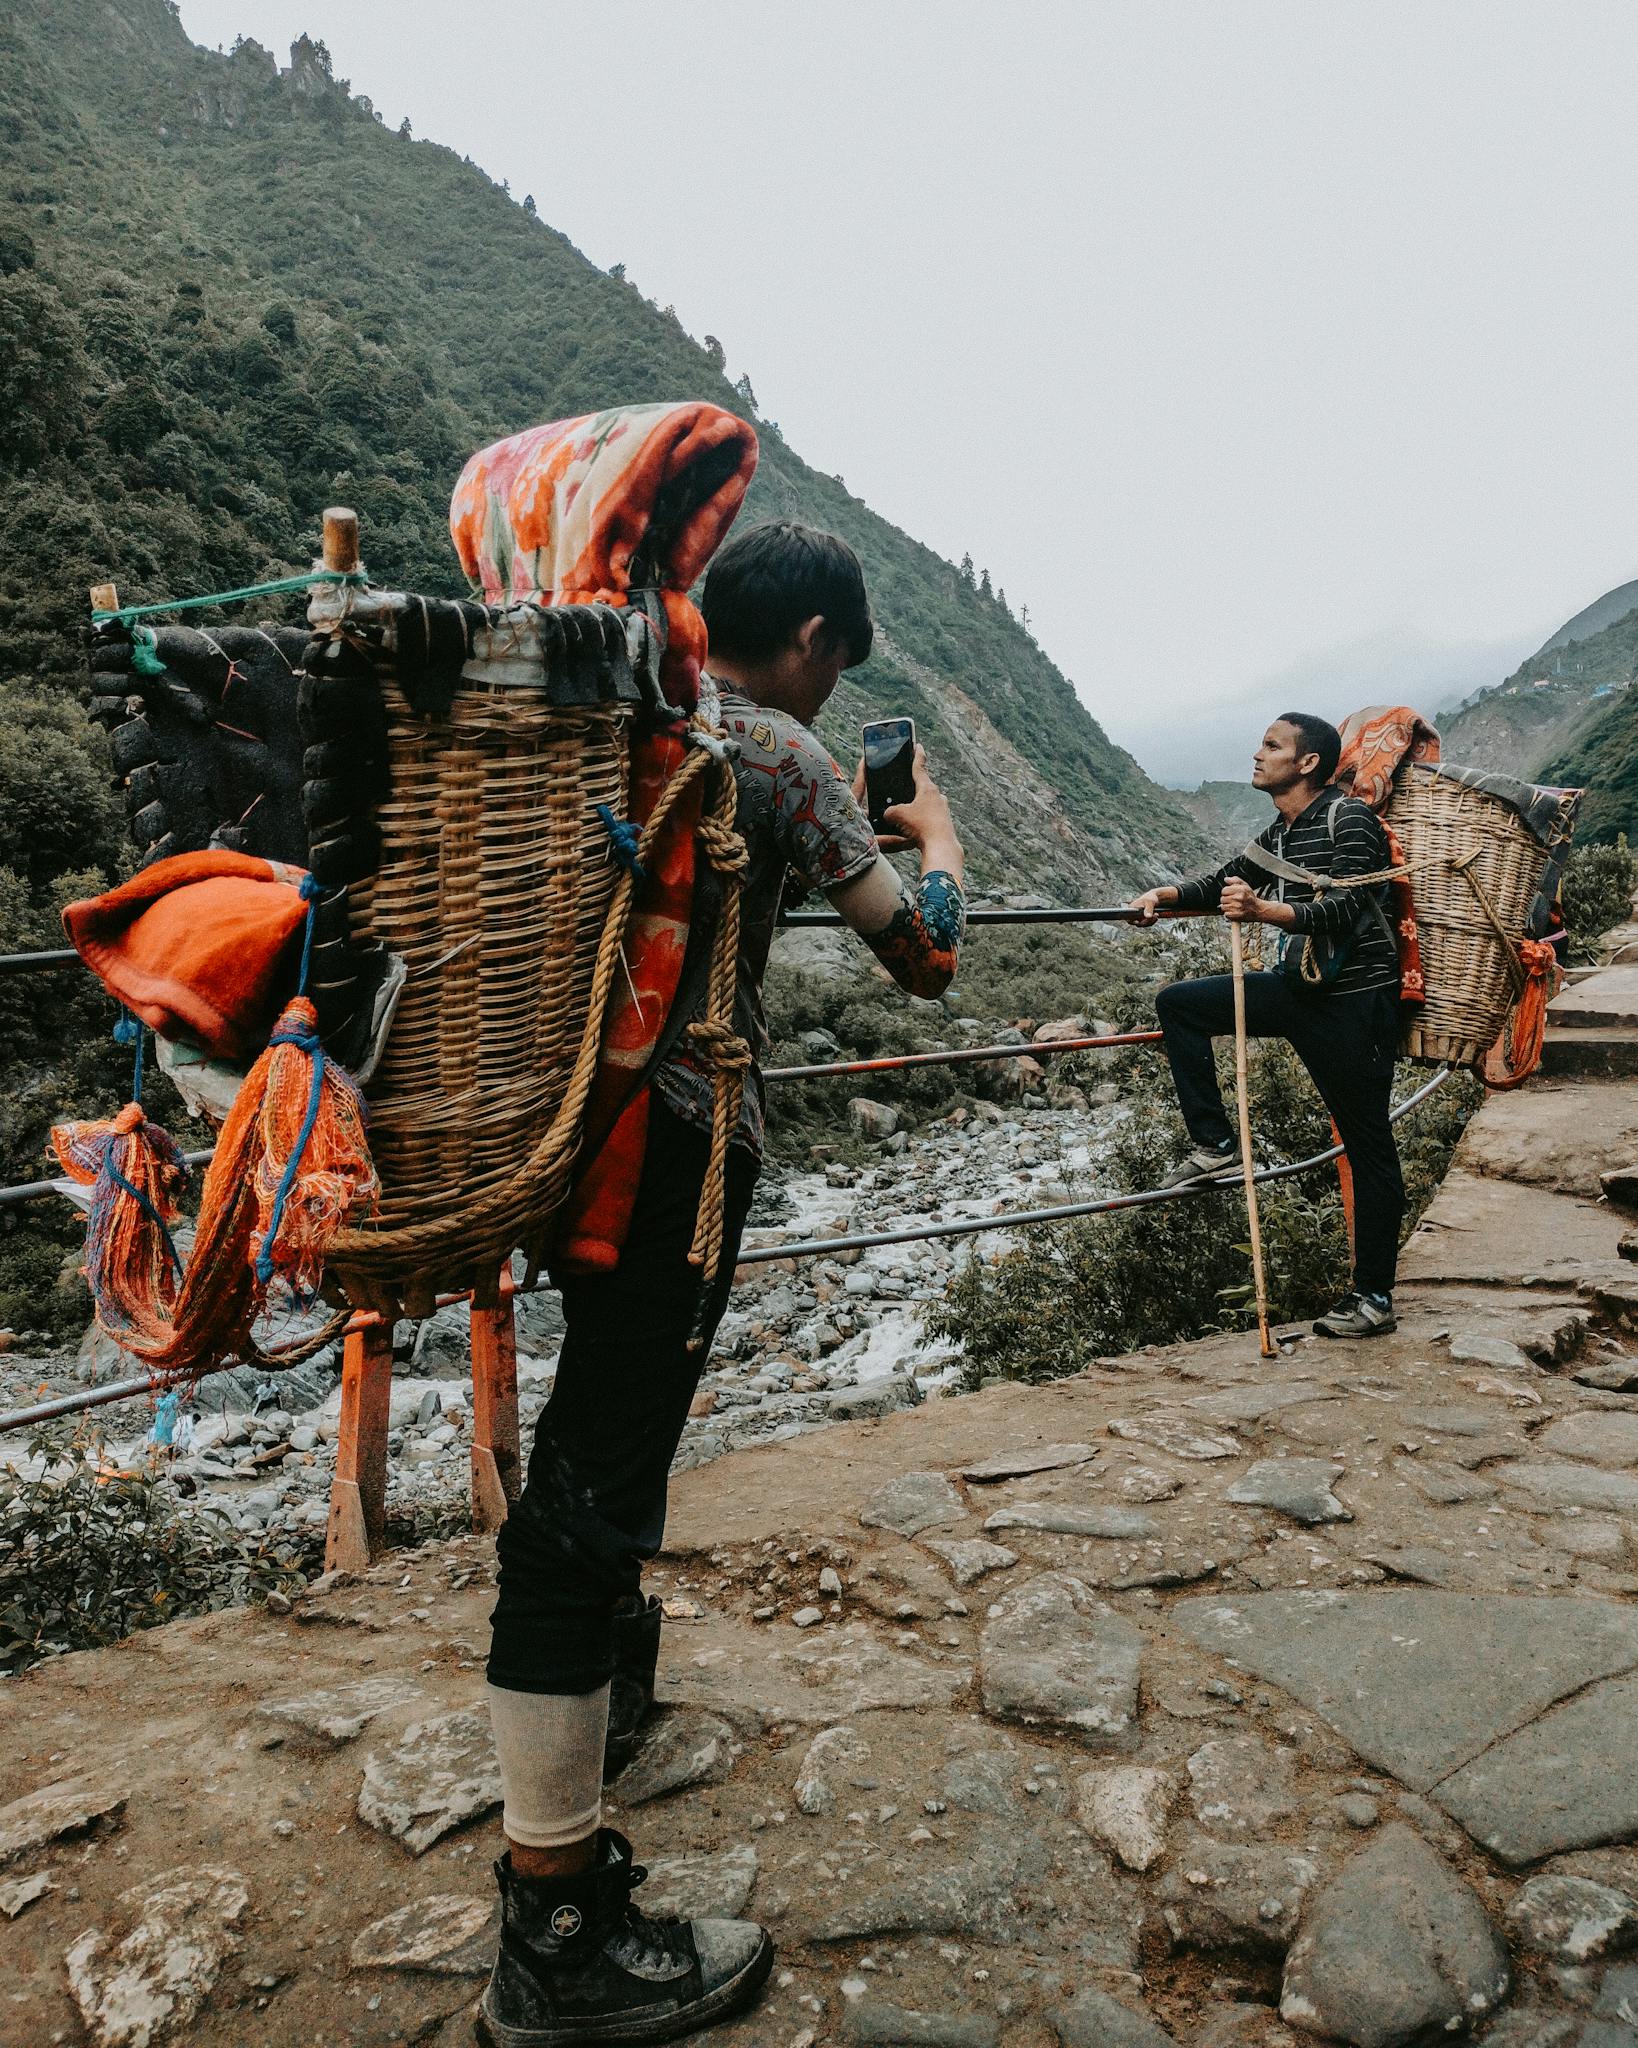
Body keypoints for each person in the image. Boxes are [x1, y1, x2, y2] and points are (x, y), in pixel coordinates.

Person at [478, 520, 967, 2047]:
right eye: (842, 659)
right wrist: (935, 835)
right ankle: (553, 1927)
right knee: (590, 1486)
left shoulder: (632, 716)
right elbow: (925, 958)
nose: (835, 683)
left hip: (566, 1133)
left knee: (595, 1434)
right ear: (814, 639)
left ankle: (608, 1698)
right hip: (686, 1145)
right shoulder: (784, 757)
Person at [1128, 711, 1404, 1341]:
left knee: (1367, 1144)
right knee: (1181, 1004)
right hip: (1297, 990)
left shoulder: (1349, 819)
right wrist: (1164, 896)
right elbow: (1226, 880)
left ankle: (1374, 1296)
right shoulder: (1279, 832)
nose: (1258, 755)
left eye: (1272, 746)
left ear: (1307, 763)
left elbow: (1353, 903)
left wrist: (1266, 911)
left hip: (1354, 1004)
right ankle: (1215, 1146)